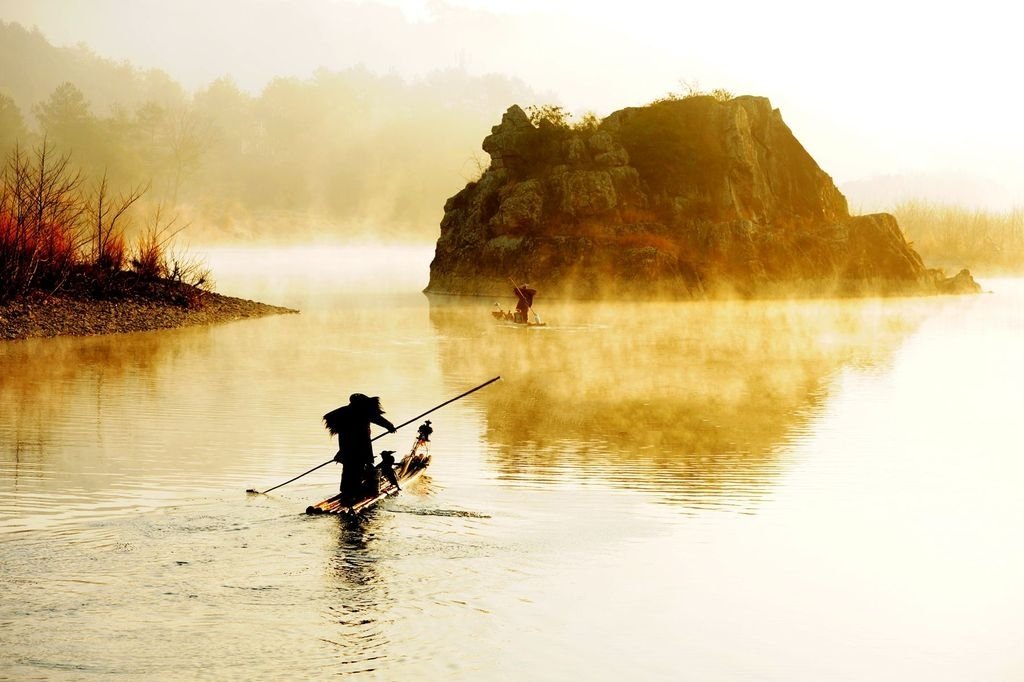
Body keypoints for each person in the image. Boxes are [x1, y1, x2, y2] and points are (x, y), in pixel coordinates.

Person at [323, 393, 396, 502]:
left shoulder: (344, 412)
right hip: (360, 447)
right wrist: (390, 427)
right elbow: (379, 420)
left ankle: (346, 491)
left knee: (348, 468)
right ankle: (354, 493)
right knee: (357, 467)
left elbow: (378, 420)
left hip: (346, 447)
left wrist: (389, 426)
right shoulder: (363, 412)